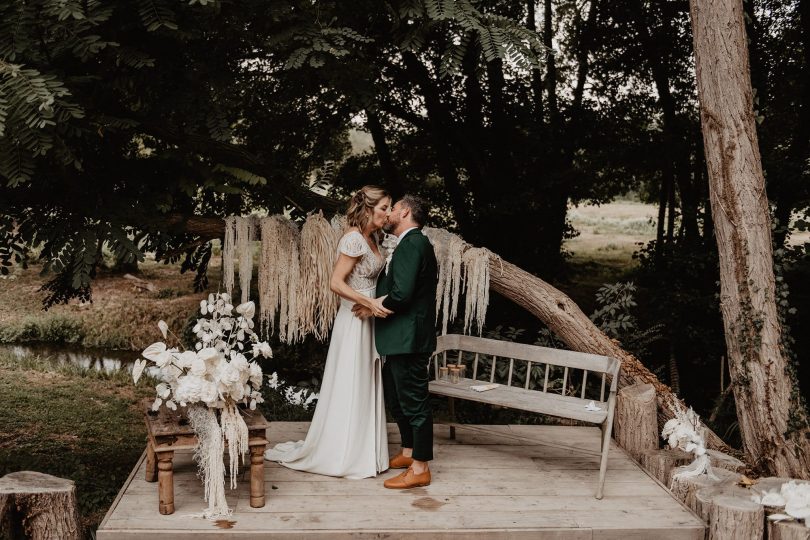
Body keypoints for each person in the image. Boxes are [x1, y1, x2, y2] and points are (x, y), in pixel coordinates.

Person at [264, 185, 393, 479]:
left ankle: (366, 450)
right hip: (354, 319)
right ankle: (342, 452)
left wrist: (376, 303)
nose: (388, 213)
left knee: (367, 379)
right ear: (369, 208)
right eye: (384, 207)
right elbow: (336, 283)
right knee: (351, 379)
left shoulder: (373, 238)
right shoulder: (352, 239)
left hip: (369, 315)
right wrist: (367, 302)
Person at [353, 195, 438, 489]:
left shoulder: (413, 244)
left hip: (409, 338)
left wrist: (371, 305)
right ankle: (408, 450)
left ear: (405, 211)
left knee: (414, 401)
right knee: (397, 398)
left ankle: (420, 468)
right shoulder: (408, 244)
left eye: (393, 207)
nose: (388, 213)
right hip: (400, 337)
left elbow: (402, 294)